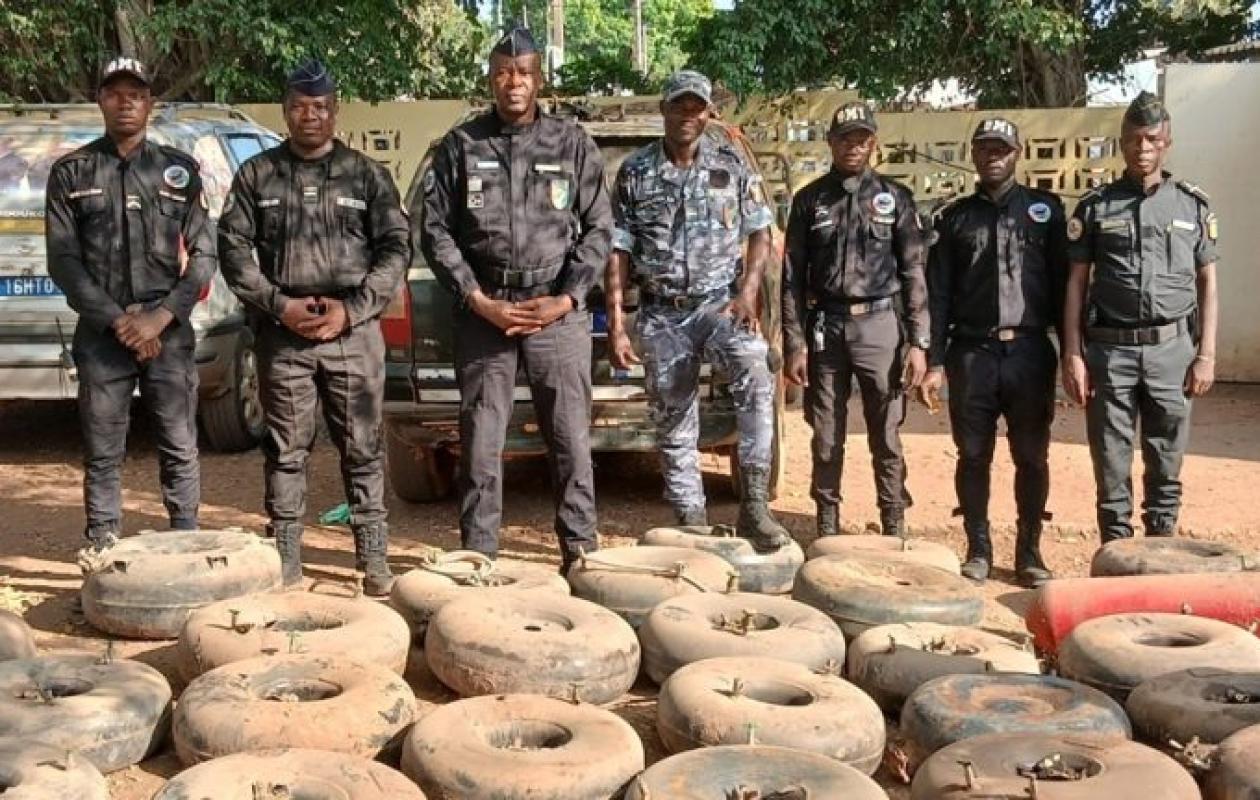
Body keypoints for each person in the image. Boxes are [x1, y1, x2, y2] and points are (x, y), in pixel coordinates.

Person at [417, 27, 610, 572]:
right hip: (487, 312)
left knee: (571, 441)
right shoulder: (462, 145)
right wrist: (476, 298)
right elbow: (436, 231)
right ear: (491, 78)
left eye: (523, 71)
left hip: (555, 312)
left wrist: (569, 299)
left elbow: (598, 229)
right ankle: (479, 556)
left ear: (539, 78)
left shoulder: (571, 143)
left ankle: (580, 555)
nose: (513, 81)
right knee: (480, 443)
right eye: (503, 71)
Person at [218, 60, 410, 594]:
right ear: (286, 111)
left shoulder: (367, 175)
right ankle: (286, 563)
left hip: (352, 332)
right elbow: (232, 249)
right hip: (284, 336)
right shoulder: (257, 175)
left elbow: (396, 248)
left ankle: (373, 562)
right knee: (285, 450)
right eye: (300, 107)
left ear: (335, 111)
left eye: (320, 107)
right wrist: (277, 305)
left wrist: (355, 308)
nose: (310, 117)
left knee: (363, 447)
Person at [605, 70, 791, 552]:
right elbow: (618, 249)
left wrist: (748, 291)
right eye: (679, 106)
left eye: (697, 107)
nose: (688, 115)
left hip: (718, 302)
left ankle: (753, 504)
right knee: (673, 412)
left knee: (755, 369)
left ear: (708, 113)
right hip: (661, 311)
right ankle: (690, 518)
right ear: (664, 110)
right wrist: (619, 325)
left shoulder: (731, 165)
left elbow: (761, 232)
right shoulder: (635, 171)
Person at [45, 57, 214, 566]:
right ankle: (103, 553)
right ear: (101, 100)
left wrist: (161, 318)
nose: (125, 102)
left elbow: (204, 254)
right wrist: (120, 320)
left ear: (149, 104)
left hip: (167, 332)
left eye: (135, 94)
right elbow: (64, 261)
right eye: (115, 93)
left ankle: (186, 547)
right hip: (103, 334)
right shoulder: (72, 172)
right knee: (102, 452)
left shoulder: (178, 171)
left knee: (179, 444)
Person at [1061, 91, 1218, 543]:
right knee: (1110, 457)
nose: (1142, 148)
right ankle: (1116, 548)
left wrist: (1205, 354)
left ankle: (1160, 546)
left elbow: (1208, 283)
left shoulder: (1192, 205)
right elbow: (1075, 282)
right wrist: (1072, 353)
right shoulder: (1096, 206)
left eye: (1151, 139)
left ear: (1166, 142)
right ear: (1122, 143)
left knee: (1166, 454)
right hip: (1110, 352)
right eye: (1133, 139)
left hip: (1173, 351)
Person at [921, 117, 1067, 586]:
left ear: (1018, 152)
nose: (992, 155)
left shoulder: (1047, 212)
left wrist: (1072, 356)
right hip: (972, 353)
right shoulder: (954, 218)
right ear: (973, 154)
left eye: (1001, 148)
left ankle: (1029, 551)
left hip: (1029, 353)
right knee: (973, 454)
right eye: (984, 148)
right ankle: (978, 547)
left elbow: (1066, 289)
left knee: (1031, 455)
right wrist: (934, 361)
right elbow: (938, 294)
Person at [782, 102, 930, 539]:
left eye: (862, 138)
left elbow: (914, 272)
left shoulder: (895, 197)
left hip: (880, 326)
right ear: (830, 142)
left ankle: (893, 525)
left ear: (873, 143)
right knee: (826, 435)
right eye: (845, 137)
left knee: (886, 434)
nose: (853, 145)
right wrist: (794, 342)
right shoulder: (809, 200)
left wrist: (919, 342)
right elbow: (791, 276)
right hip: (827, 325)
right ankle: (827, 526)